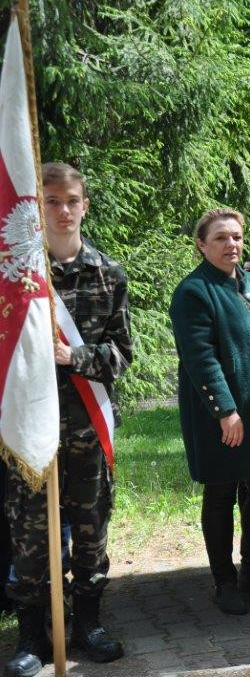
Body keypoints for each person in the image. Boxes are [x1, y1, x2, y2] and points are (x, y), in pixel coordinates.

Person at [4, 163, 132, 676]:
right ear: (38, 207)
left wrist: (71, 357)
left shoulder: (108, 273)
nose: (62, 210)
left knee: (91, 532)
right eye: (51, 201)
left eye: (71, 200)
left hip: (84, 431)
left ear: (84, 205)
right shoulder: (15, 276)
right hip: (29, 432)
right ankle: (32, 637)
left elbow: (123, 355)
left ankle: (88, 626)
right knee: (31, 540)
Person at [170, 208, 250, 617]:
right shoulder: (194, 291)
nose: (231, 245)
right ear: (202, 244)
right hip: (223, 417)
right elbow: (200, 358)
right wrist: (225, 411)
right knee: (221, 494)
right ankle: (224, 581)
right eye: (221, 238)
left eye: (236, 237)